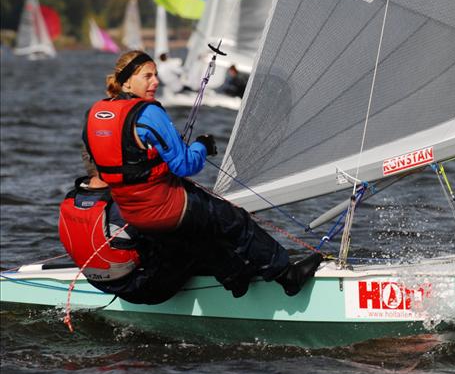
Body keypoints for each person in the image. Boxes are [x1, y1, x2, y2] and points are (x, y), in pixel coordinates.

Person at [82, 50, 322, 299]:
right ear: (127, 81)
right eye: (148, 76)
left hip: (134, 214)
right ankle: (287, 275)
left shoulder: (94, 114)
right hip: (166, 207)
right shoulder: (148, 112)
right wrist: (203, 146)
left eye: (155, 75)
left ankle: (236, 279)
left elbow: (98, 160)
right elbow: (185, 165)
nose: (156, 81)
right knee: (234, 220)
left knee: (199, 231)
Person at [58, 153, 241, 304]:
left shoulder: (73, 198)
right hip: (146, 289)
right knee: (195, 233)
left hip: (103, 284)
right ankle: (238, 279)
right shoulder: (126, 205)